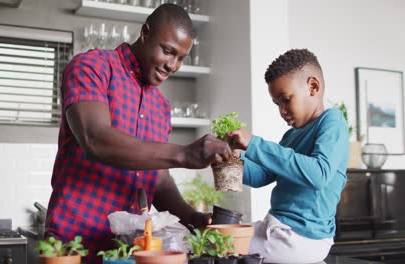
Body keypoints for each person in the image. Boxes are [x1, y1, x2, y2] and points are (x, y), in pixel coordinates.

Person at [45, 4, 231, 263]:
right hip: (74, 244)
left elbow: (160, 180)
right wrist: (184, 153)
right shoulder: (92, 67)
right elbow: (94, 139)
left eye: (180, 57)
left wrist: (192, 217)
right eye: (167, 51)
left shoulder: (161, 107)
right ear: (145, 33)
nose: (172, 65)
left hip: (127, 251)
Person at [225, 49, 348, 263]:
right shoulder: (291, 135)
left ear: (313, 87)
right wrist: (227, 162)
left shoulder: (332, 121)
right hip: (279, 229)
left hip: (303, 238)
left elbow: (319, 174)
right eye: (277, 104)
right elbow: (261, 176)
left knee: (213, 244)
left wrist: (254, 143)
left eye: (286, 99)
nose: (281, 110)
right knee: (217, 236)